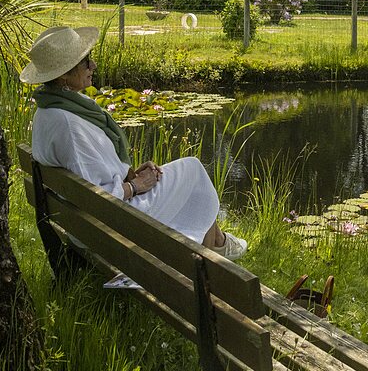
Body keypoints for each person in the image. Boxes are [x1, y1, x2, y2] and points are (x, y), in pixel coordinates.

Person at [21, 25, 246, 261]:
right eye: (86, 61)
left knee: (188, 174)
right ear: (64, 74)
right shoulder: (68, 124)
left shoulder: (50, 110)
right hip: (112, 224)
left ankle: (217, 243)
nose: (93, 66)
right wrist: (136, 186)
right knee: (193, 171)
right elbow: (98, 200)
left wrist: (128, 174)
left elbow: (91, 174)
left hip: (89, 221)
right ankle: (217, 250)